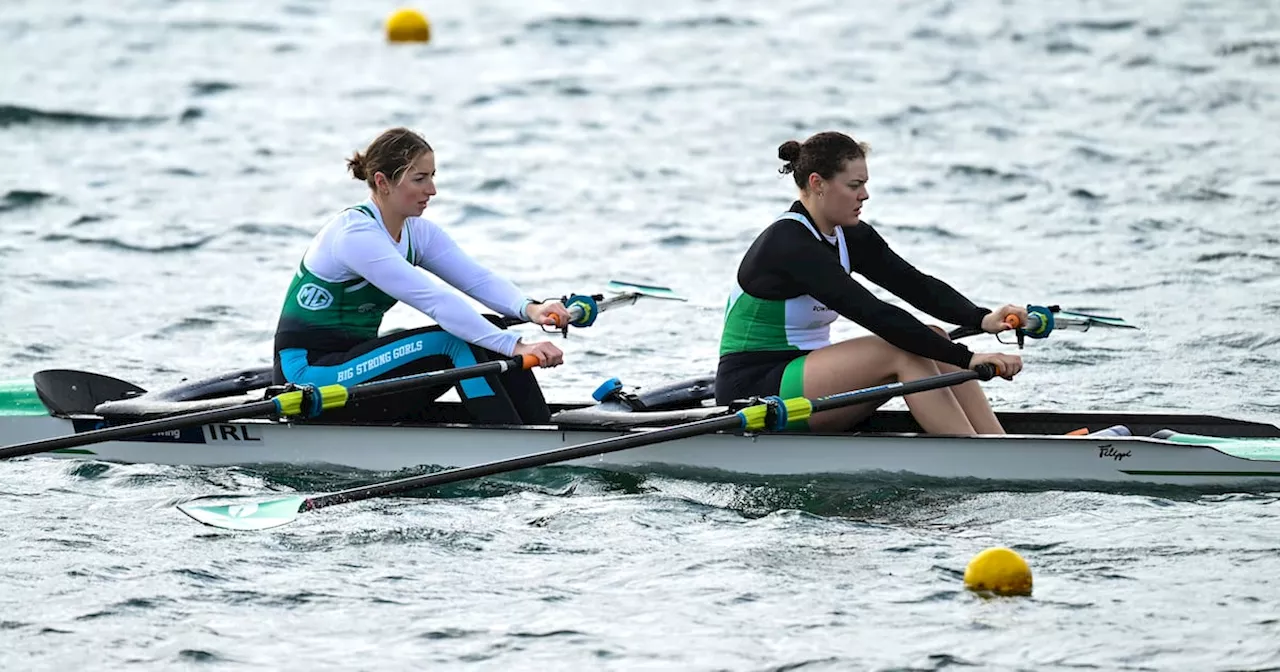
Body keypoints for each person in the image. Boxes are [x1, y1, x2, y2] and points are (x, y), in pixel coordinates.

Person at [715, 131, 1026, 435]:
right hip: (755, 390)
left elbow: (914, 284)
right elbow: (873, 313)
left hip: (805, 375)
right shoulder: (789, 243)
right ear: (817, 184)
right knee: (902, 351)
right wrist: (969, 358)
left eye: (864, 184)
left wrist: (981, 318)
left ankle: (995, 442)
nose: (864, 195)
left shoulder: (849, 235)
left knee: (933, 337)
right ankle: (973, 455)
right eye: (855, 185)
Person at [272, 127, 570, 425]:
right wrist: (517, 347)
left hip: (355, 363)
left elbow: (477, 279)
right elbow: (436, 302)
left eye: (432, 176)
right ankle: (512, 441)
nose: (432, 190)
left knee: (488, 329)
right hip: (308, 376)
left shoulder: (418, 233)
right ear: (382, 182)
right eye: (419, 179)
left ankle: (538, 428)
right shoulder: (355, 236)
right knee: (460, 341)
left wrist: (531, 309)